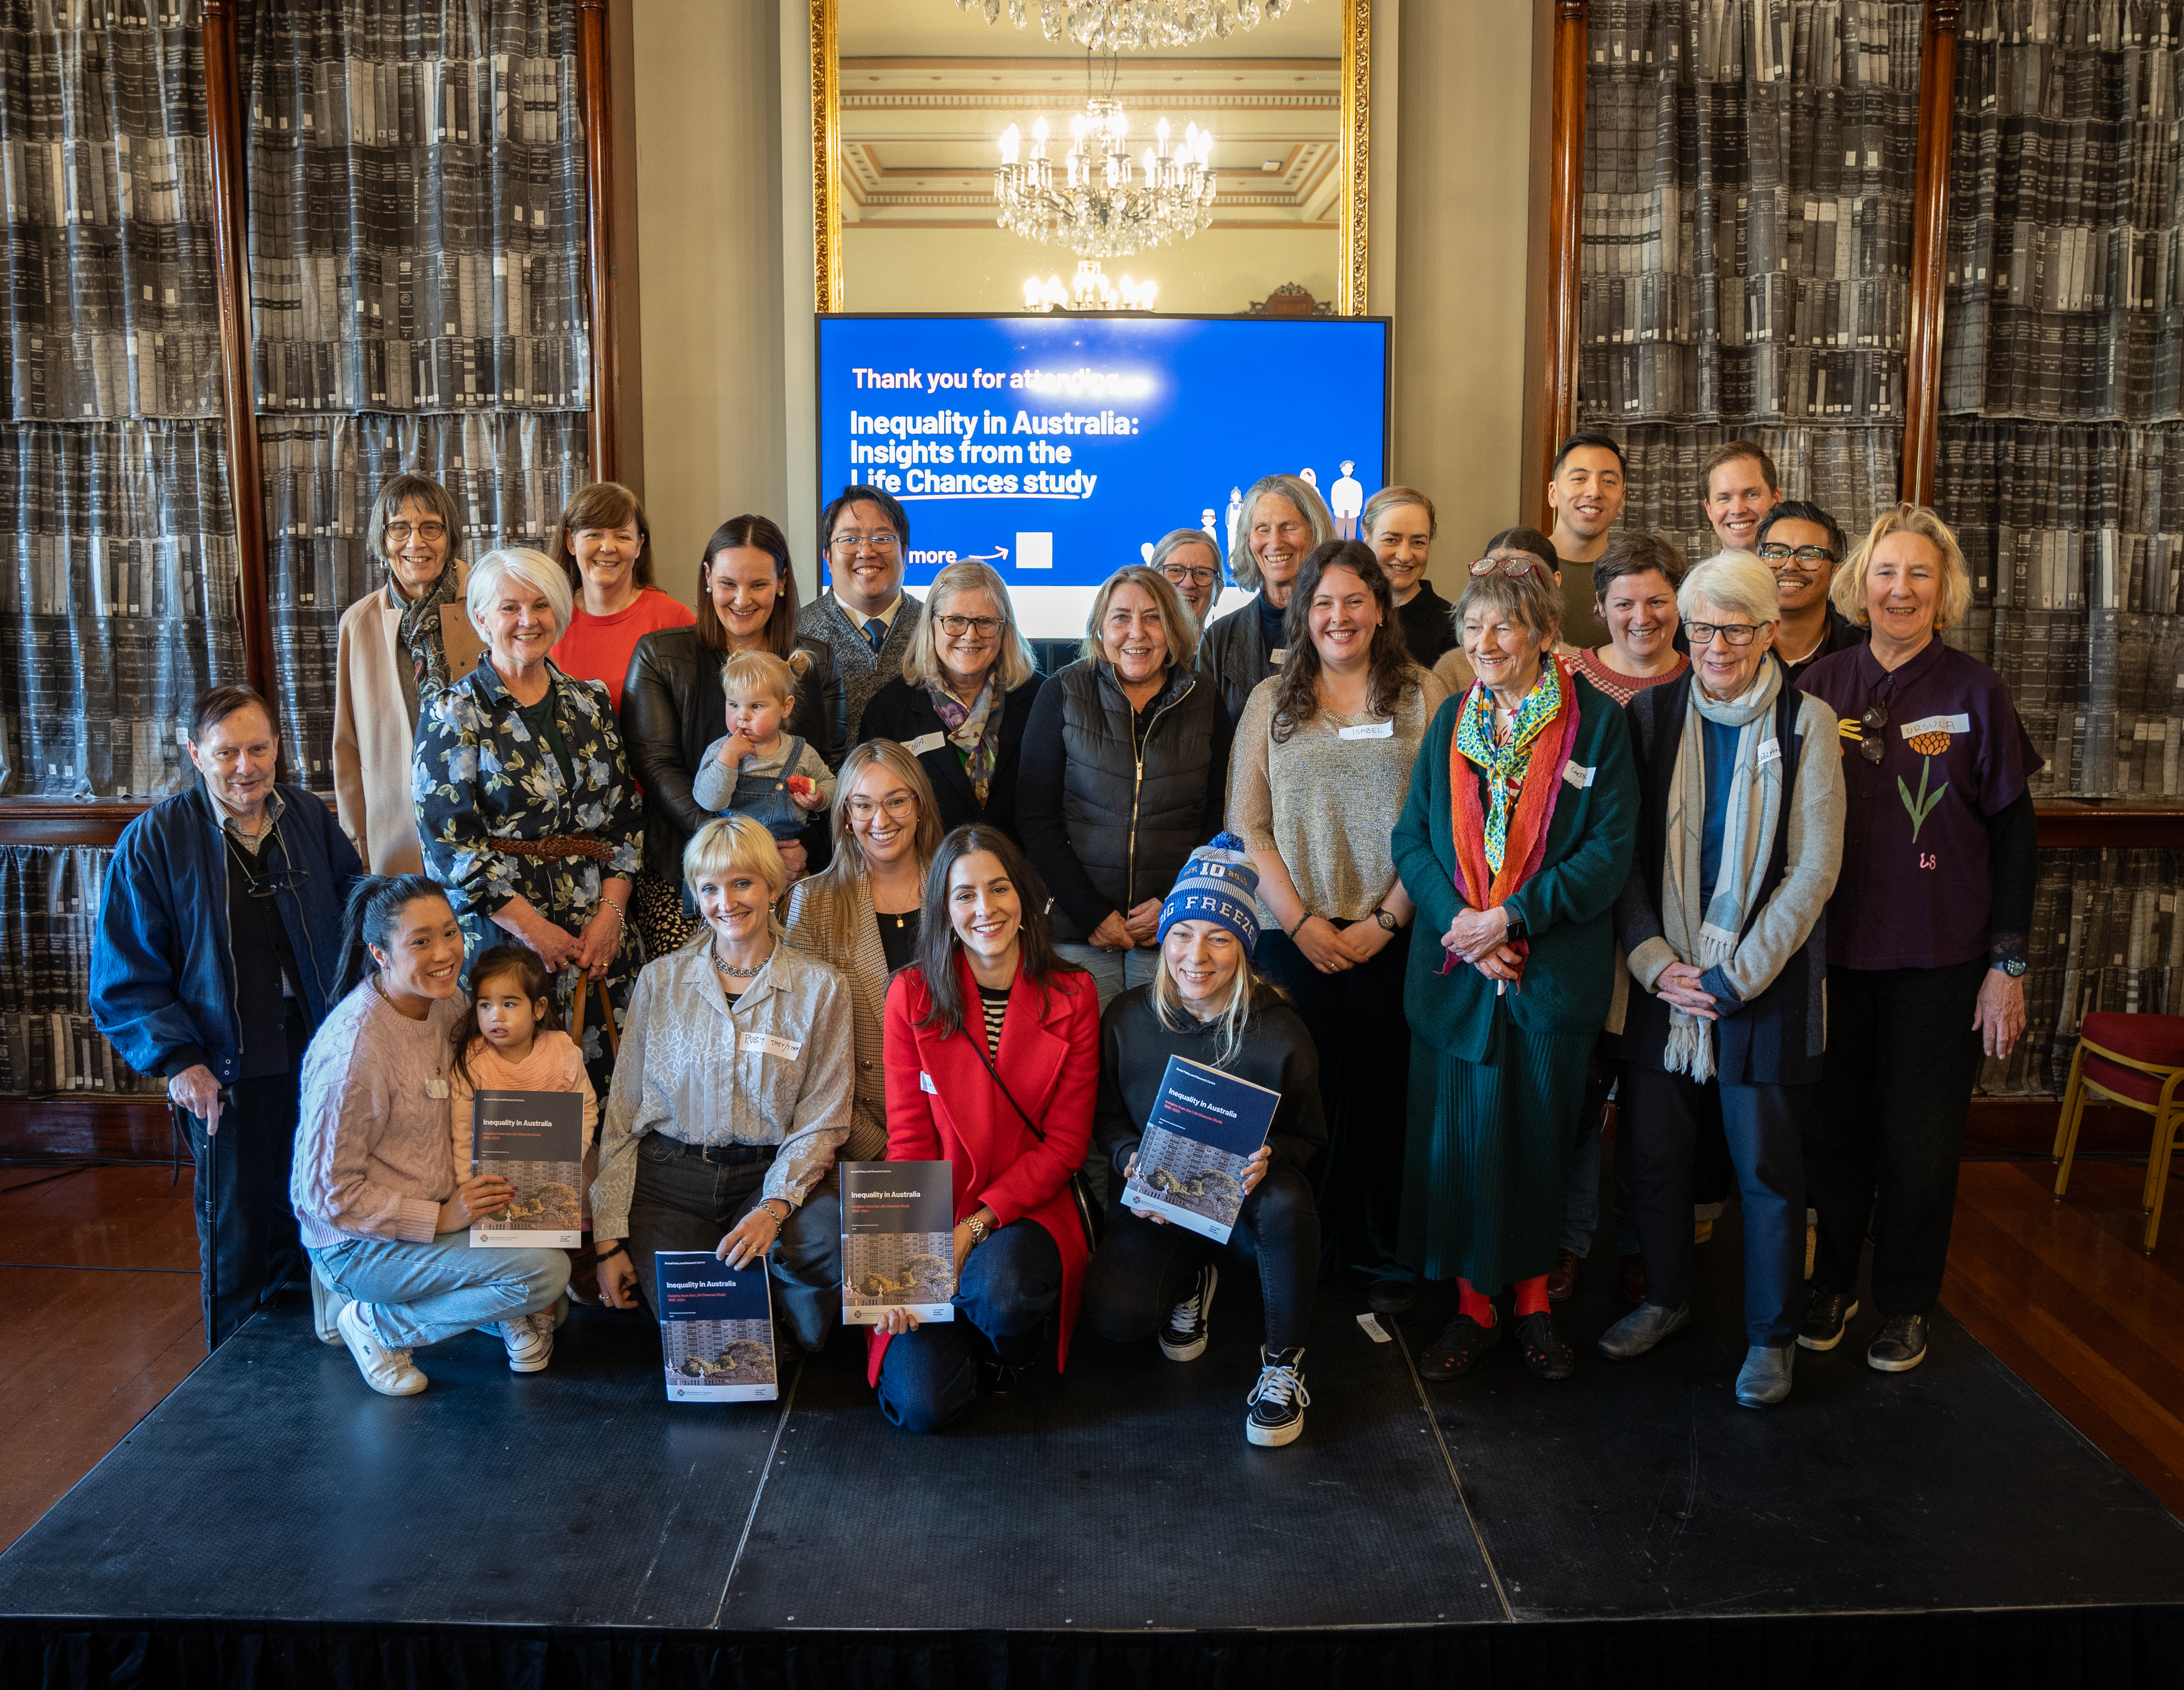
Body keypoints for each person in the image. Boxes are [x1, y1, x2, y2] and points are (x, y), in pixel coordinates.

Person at [1599, 554, 1844, 1408]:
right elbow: (1622, 856)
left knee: (1767, 1174)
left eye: (1734, 628)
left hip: (1762, 986)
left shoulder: (1809, 722)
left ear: (1770, 632)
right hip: (1662, 980)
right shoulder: (1650, 714)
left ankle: (1771, 1338)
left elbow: (1814, 869)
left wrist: (1733, 978)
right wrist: (1656, 962)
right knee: (1656, 1158)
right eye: (1700, 626)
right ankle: (1665, 1299)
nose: (1714, 645)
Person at [1795, 505, 2036, 1374]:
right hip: (1831, 956)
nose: (1900, 589)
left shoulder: (1979, 691)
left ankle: (1904, 1302)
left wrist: (2005, 963)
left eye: (1919, 575)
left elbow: (2015, 834)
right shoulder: (1819, 686)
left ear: (1945, 592)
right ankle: (1831, 1285)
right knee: (1834, 1136)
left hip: (1941, 959)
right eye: (1886, 572)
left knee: (1920, 1143)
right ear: (1859, 584)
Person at [1391, 556, 1637, 1383]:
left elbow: (1608, 854)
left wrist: (1516, 917)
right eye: (1472, 625)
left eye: (1503, 625)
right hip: (1457, 975)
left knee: (1537, 1146)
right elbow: (1412, 843)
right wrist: (1468, 925)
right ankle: (1472, 1309)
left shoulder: (1596, 725)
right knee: (1459, 1147)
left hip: (1548, 978)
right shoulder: (1451, 720)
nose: (1485, 640)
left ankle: (1533, 1306)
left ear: (1543, 633)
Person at [90, 685, 364, 1349]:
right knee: (237, 1237)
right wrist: (180, 1062)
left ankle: (318, 1371)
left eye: (260, 748)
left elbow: (357, 919)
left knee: (319, 1220)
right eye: (227, 753)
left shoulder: (306, 815)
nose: (246, 767)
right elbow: (124, 979)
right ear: (195, 754)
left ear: (278, 747)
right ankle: (237, 1393)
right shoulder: (155, 840)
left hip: (316, 1059)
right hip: (224, 1071)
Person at [1228, 540, 1447, 1310]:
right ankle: (1301, 1248)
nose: (1339, 616)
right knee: (1302, 1103)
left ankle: (1384, 1254)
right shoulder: (1270, 701)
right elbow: (1248, 824)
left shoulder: (1421, 694)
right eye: (1323, 603)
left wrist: (1388, 917)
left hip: (1397, 931)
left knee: (1386, 1096)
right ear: (1303, 612)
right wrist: (1301, 922)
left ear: (1381, 609)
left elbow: (1438, 820)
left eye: (1355, 600)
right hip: (1297, 937)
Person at [1081, 838, 1326, 1447]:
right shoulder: (1125, 1019)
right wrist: (1126, 1158)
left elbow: (1308, 1138)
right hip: (1160, 1203)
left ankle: (1283, 1363)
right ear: (1163, 938)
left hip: (1247, 1211)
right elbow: (1105, 1120)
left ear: (1243, 949)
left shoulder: (1281, 1033)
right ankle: (1190, 1279)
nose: (1196, 955)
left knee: (1287, 1199)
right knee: (1114, 1320)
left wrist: (1274, 1158)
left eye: (1218, 938)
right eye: (1182, 933)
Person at [295, 877, 572, 1396]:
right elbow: (323, 1195)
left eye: (449, 932)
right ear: (379, 952)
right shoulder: (353, 1055)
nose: (444, 953)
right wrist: (440, 1217)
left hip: (445, 1208)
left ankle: (454, 1299)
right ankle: (378, 1326)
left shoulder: (445, 1003)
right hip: (362, 1243)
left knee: (550, 1306)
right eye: (421, 942)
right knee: (543, 1275)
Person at [591, 817, 857, 1352]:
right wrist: (606, 1241)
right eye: (709, 887)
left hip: (768, 1176)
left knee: (830, 1238)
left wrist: (773, 1207)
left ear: (773, 886)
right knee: (734, 1360)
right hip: (669, 1189)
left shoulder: (820, 987)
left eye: (741, 883)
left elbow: (823, 1118)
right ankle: (762, 1312)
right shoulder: (659, 981)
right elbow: (623, 1112)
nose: (725, 901)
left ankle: (778, 1290)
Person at [871, 826, 1100, 1433]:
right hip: (938, 1210)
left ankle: (1001, 1339)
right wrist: (903, 1264)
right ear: (944, 911)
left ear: (1023, 896)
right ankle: (971, 1344)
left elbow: (1066, 1145)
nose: (984, 909)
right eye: (964, 895)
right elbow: (909, 1144)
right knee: (923, 1407)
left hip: (1029, 1207)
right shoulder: (910, 995)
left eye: (998, 889)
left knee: (1002, 1291)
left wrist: (975, 1227)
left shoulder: (1073, 993)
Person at [412, 547, 643, 1087]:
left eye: (541, 606)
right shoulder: (451, 712)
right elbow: (449, 848)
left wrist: (610, 916)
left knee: (608, 1098)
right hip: (505, 946)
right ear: (481, 618)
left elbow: (626, 821)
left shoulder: (591, 703)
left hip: (599, 942)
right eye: (510, 607)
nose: (527, 621)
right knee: (522, 1116)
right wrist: (536, 931)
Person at [622, 514, 839, 957]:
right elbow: (658, 770)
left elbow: (833, 767)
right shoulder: (660, 656)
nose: (742, 600)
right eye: (728, 584)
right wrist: (740, 855)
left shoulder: (816, 660)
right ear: (707, 579)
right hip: (687, 873)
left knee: (790, 1012)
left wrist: (797, 854)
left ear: (782, 582)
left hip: (794, 871)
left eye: (758, 585)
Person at [1017, 565, 1233, 1009]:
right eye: (1120, 618)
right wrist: (1091, 913)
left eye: (1153, 617)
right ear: (1099, 627)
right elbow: (1035, 816)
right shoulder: (1061, 691)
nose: (1136, 632)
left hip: (1175, 932)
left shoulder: (1205, 699)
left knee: (1158, 1066)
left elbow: (1219, 815)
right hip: (1077, 934)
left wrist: (1175, 901)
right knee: (1082, 1071)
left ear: (1173, 627)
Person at [783, 741, 945, 1169]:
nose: (882, 820)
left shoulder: (957, 893)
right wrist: (877, 1146)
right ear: (846, 817)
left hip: (957, 1129)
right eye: (864, 805)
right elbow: (803, 1050)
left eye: (897, 802)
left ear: (920, 805)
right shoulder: (813, 901)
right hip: (862, 1140)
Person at [331, 472, 488, 875]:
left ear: (450, 536)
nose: (415, 543)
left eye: (431, 528)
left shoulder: (492, 602)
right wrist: (358, 843)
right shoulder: (358, 623)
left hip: (489, 824)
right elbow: (347, 745)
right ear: (382, 541)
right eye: (399, 528)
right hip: (397, 832)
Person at [445, 944, 600, 1295]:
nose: (495, 1016)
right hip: (496, 1180)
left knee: (556, 1240)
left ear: (539, 1008)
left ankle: (558, 1293)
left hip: (561, 1168)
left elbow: (586, 1107)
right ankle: (518, 1308)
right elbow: (462, 1130)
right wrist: (467, 1184)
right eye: (485, 1005)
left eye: (509, 1004)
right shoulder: (473, 1059)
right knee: (510, 1248)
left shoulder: (562, 1051)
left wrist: (567, 1155)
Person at [861, 559, 1046, 842]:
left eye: (985, 622)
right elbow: (875, 815)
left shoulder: (1042, 699)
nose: (970, 635)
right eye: (955, 620)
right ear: (932, 625)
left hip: (1022, 877)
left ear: (1004, 628)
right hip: (928, 877)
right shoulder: (888, 711)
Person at [545, 482, 693, 713]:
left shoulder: (674, 619)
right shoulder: (548, 619)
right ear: (571, 541)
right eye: (594, 534)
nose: (608, 547)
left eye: (622, 537)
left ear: (639, 545)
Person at [1198, 473, 1335, 722]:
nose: (1275, 542)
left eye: (1289, 528)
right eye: (1263, 529)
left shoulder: (1343, 628)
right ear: (1248, 540)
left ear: (1315, 532)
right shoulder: (1218, 640)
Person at [798, 483, 923, 749]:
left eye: (882, 538)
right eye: (850, 539)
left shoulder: (939, 630)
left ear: (905, 553)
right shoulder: (795, 634)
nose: (866, 552)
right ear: (828, 559)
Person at [691, 650, 838, 844]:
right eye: (734, 705)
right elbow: (709, 802)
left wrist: (821, 799)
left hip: (787, 852)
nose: (743, 716)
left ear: (786, 707)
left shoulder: (801, 752)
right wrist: (727, 758)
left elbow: (832, 784)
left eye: (756, 706)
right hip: (733, 851)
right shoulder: (720, 750)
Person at [1757, 499, 1866, 683]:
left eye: (1809, 555)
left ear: (1836, 572)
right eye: (1776, 553)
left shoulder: (1862, 652)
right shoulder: (1728, 642)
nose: (1790, 566)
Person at [1576, 532, 1689, 707]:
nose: (1642, 619)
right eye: (1624, 605)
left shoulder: (1704, 681)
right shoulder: (1566, 675)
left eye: (1656, 602)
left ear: (1680, 600)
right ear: (1601, 604)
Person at [1364, 484, 1456, 667]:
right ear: (1366, 537)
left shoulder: (1453, 626)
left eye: (1418, 542)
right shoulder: (1345, 613)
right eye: (1391, 540)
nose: (1405, 556)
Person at [1544, 429, 1629, 572]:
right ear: (1553, 494)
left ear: (1622, 500)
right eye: (1579, 479)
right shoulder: (1519, 569)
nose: (1594, 492)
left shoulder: (1632, 577)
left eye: (1608, 481)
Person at [1698, 441, 1781, 560]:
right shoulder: (1696, 580)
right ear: (1709, 509)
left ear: (1776, 500)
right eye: (1724, 498)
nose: (1738, 510)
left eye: (1751, 495)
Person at [1151, 526, 1225, 631]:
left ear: (1219, 590)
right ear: (1152, 583)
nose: (1188, 584)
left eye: (1201, 573)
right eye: (1175, 571)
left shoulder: (1237, 647)